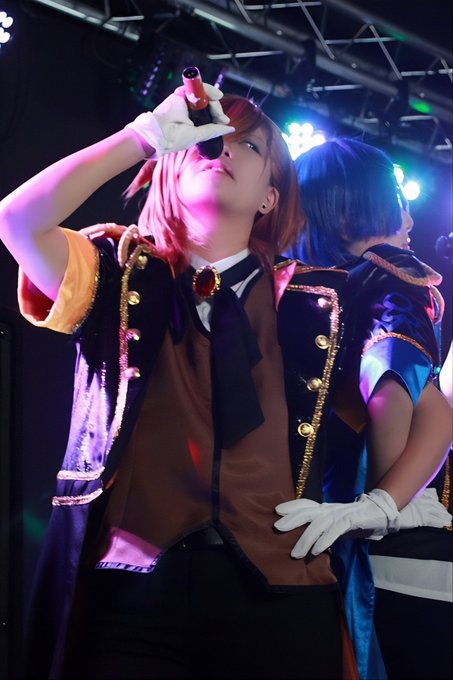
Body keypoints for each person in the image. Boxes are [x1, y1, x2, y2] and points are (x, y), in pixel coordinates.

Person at [0, 85, 449, 680]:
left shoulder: (322, 302)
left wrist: (378, 506)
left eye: (250, 145)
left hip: (282, 595)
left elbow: (432, 411)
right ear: (170, 169)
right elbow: (17, 219)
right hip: (128, 596)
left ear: (270, 196)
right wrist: (143, 136)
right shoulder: (117, 275)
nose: (224, 149)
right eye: (205, 141)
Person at [280, 137, 452, 679]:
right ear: (349, 211)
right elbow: (393, 380)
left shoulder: (295, 294)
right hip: (400, 552)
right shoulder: (390, 272)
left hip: (327, 544)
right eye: (397, 200)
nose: (410, 218)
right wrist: (389, 494)